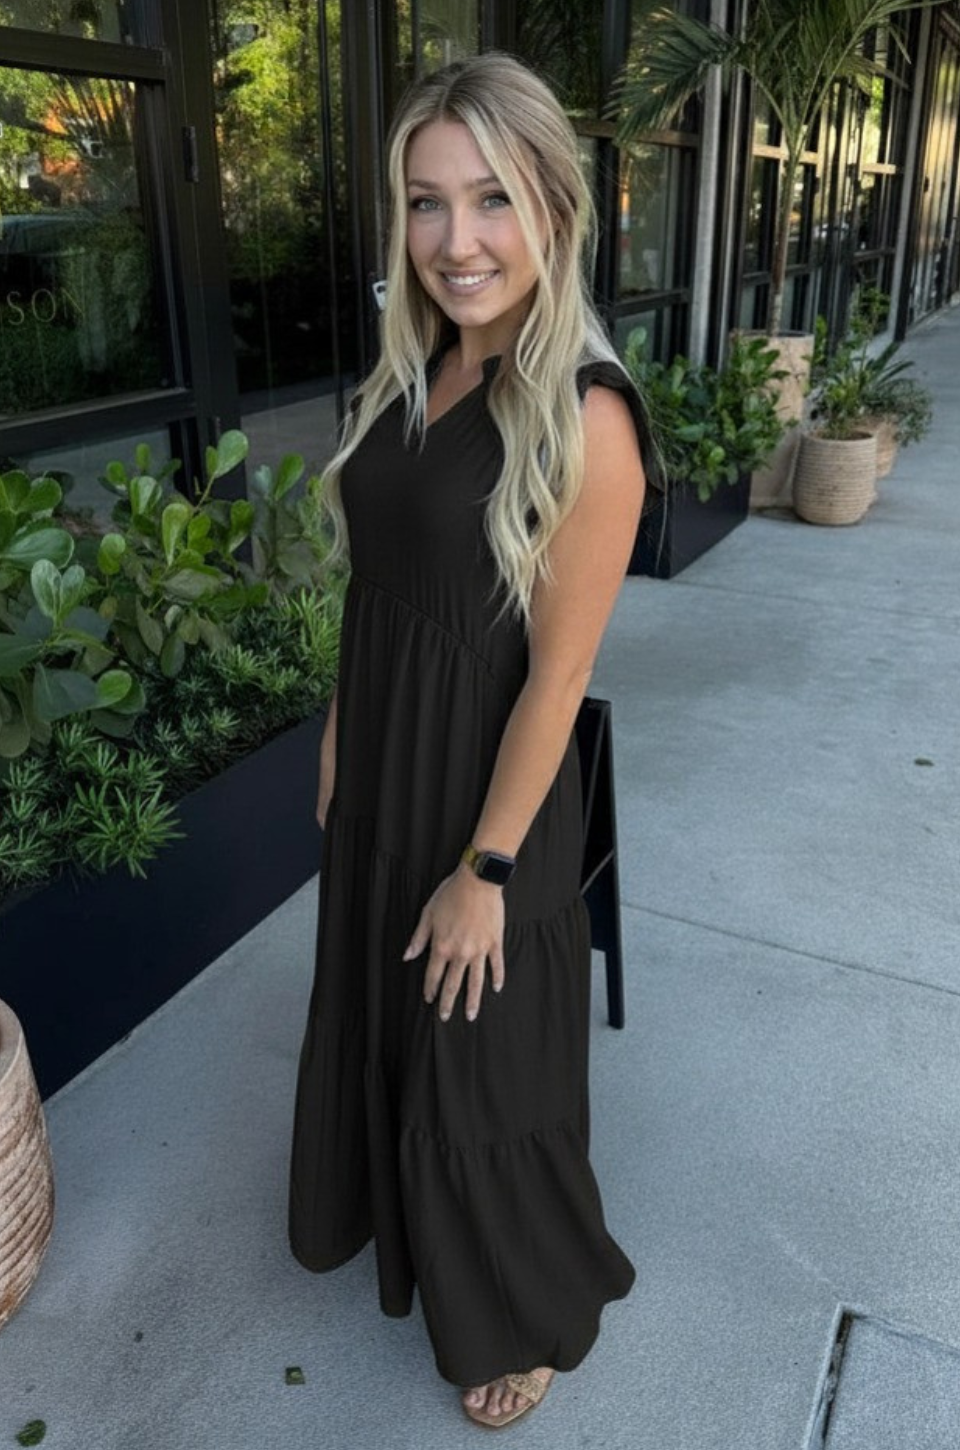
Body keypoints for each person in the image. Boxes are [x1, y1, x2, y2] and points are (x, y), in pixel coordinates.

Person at [289, 51, 653, 1430]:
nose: (456, 242)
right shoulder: (425, 362)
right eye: (427, 205)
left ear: (554, 203)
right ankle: (401, 1214)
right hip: (388, 755)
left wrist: (485, 871)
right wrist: (340, 731)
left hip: (490, 794)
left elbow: (557, 683)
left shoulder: (587, 411)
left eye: (491, 199)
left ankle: (529, 1306)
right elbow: (378, 579)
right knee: (390, 1008)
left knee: (479, 1055)